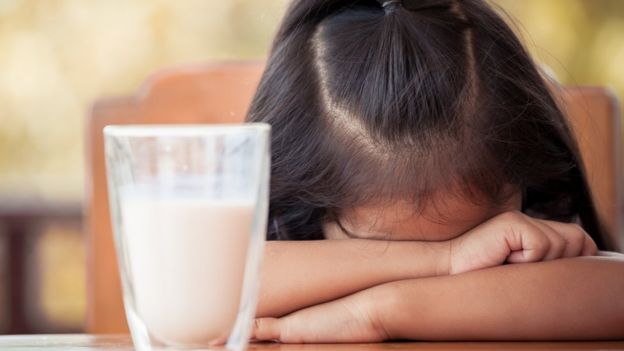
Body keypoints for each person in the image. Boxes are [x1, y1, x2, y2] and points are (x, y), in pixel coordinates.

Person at [245, 0, 624, 342]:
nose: (461, 270)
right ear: (312, 203)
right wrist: (449, 258)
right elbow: (205, 284)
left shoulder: (538, 226)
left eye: (484, 247)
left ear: (526, 178)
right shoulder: (288, 223)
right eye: (387, 251)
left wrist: (377, 313)